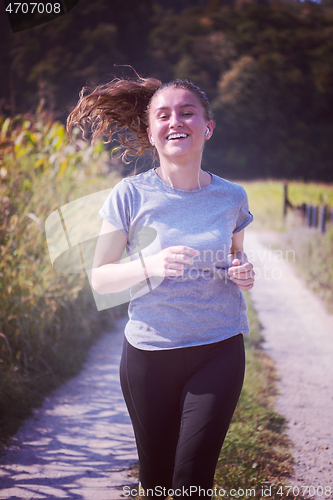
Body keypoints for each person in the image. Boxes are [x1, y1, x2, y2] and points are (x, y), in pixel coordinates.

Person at [67, 75, 255, 500]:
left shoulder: (232, 196)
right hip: (149, 356)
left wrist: (243, 269)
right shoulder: (129, 194)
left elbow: (237, 255)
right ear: (151, 132)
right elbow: (100, 276)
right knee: (155, 482)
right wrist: (151, 264)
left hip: (218, 348)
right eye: (163, 115)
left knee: (191, 480)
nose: (176, 122)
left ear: (207, 126)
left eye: (187, 112)